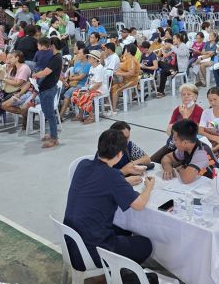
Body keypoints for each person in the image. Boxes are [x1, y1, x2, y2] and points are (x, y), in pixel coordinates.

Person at [64, 129, 156, 279]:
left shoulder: (83, 165)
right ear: (120, 154)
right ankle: (125, 277)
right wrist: (149, 187)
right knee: (145, 245)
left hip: (71, 243)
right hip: (93, 251)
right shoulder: (113, 177)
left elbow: (100, 183)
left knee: (123, 229)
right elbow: (139, 205)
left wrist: (123, 179)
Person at [31, 37, 63, 148]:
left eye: (49, 45)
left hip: (49, 88)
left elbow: (46, 72)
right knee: (46, 112)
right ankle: (52, 133)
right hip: (44, 88)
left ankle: (54, 139)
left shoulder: (57, 58)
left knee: (50, 114)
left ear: (52, 46)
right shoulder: (53, 57)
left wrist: (35, 75)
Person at [110, 44, 141, 113]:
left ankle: (114, 110)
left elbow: (131, 73)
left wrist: (118, 73)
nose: (124, 51)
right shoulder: (127, 58)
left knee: (115, 89)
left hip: (131, 80)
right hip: (124, 79)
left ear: (129, 52)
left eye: (125, 50)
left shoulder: (132, 60)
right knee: (110, 85)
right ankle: (113, 105)